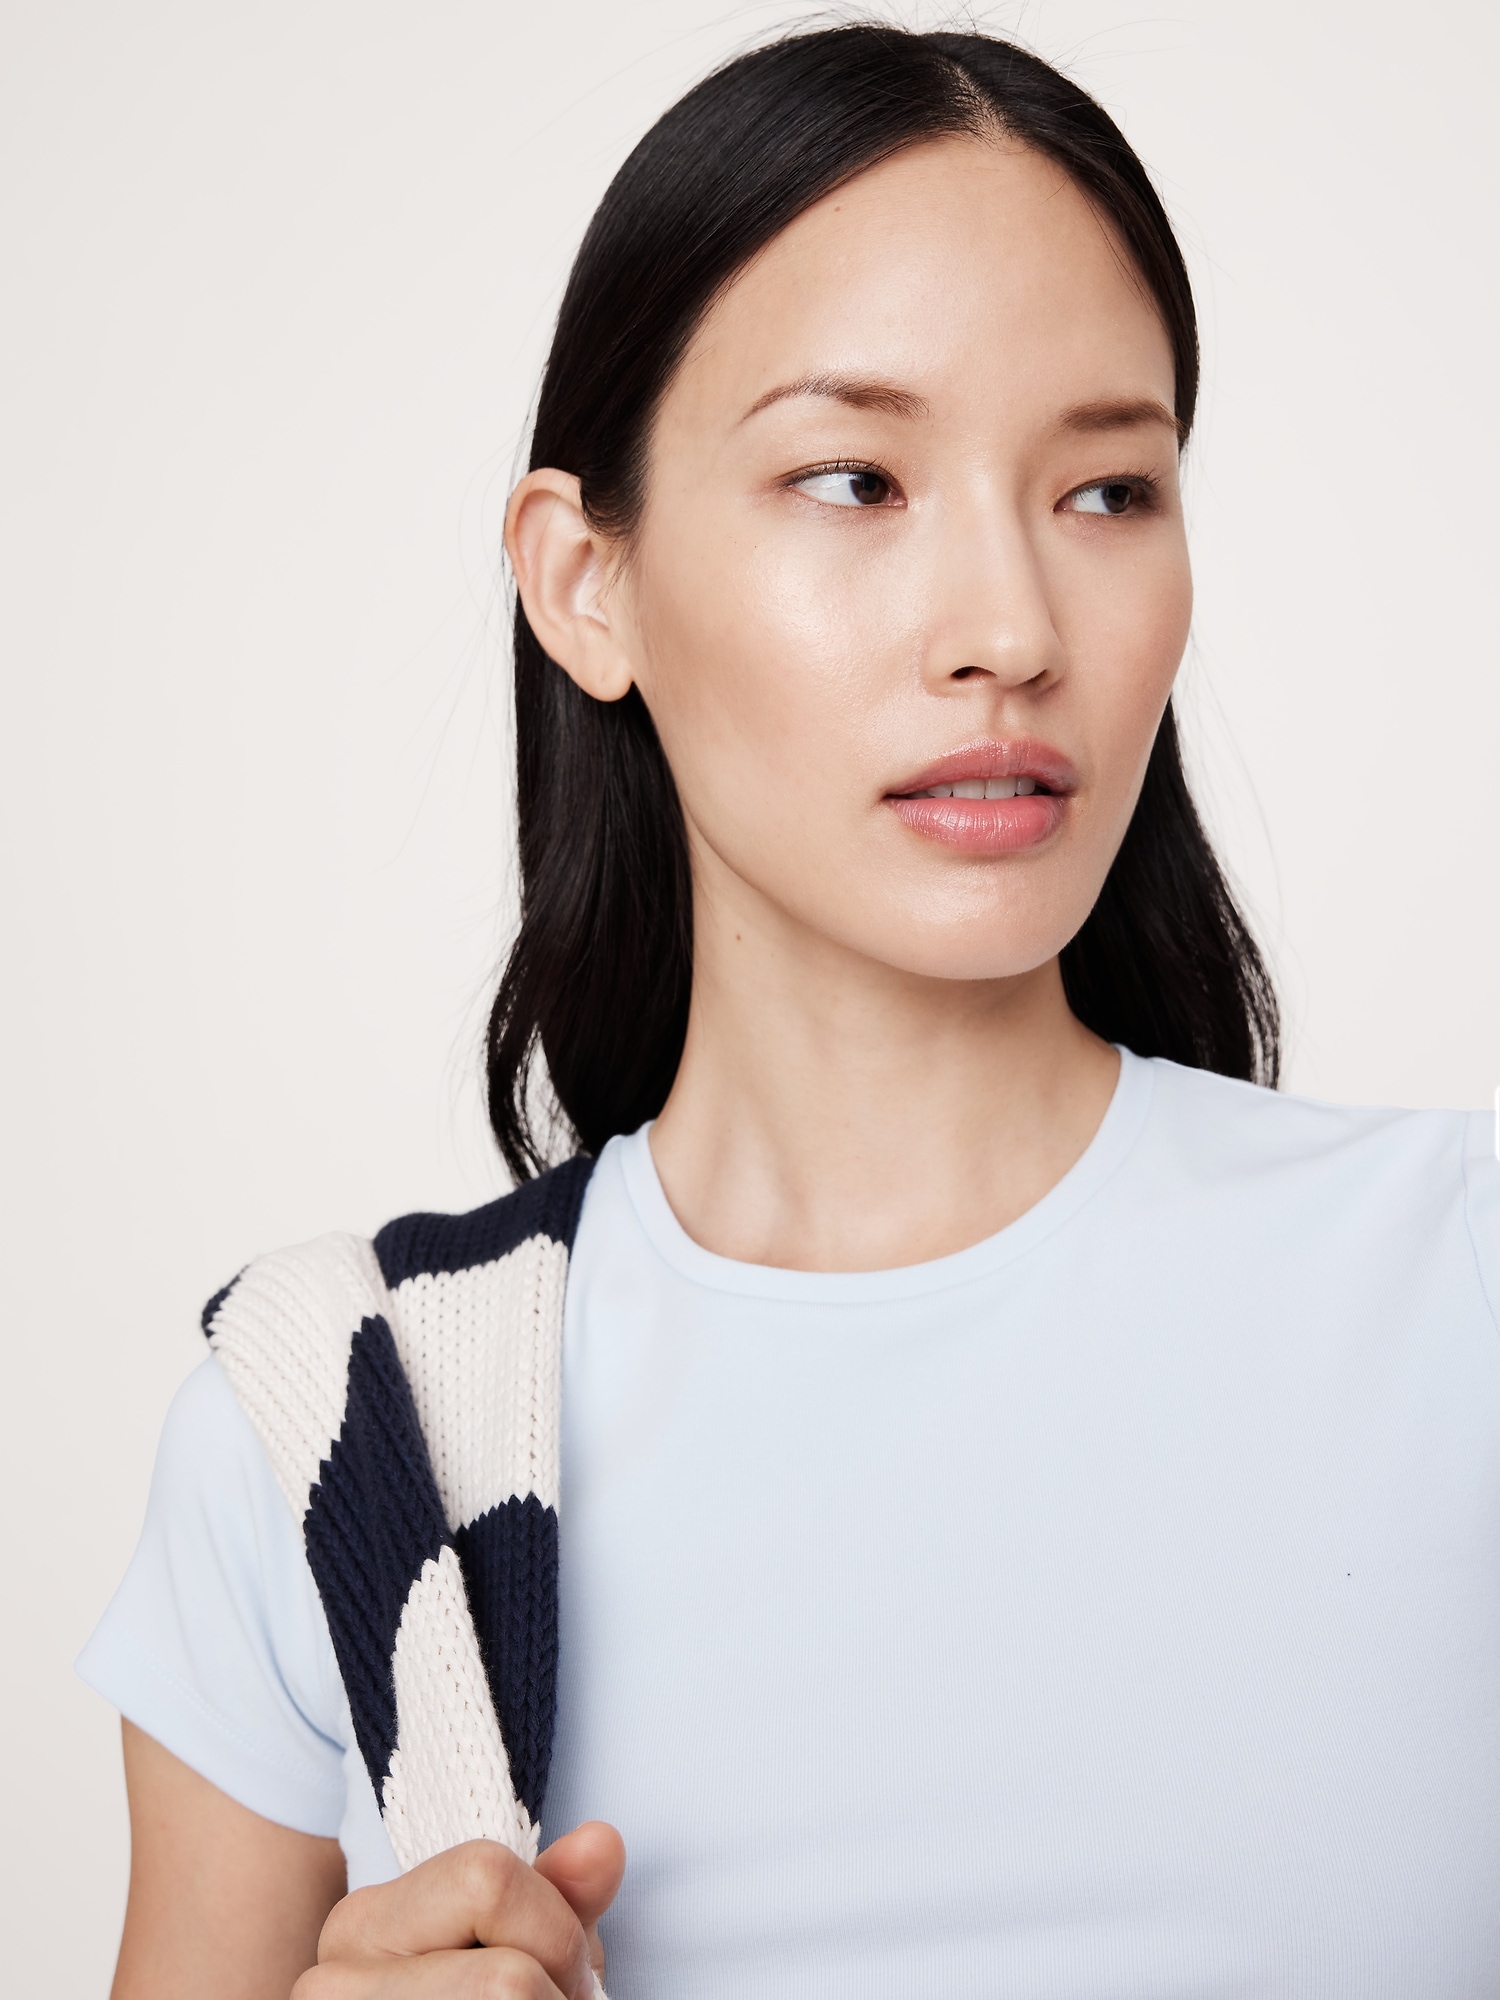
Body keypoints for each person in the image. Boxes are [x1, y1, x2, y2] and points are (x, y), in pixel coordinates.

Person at [80, 24, 1500, 2000]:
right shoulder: (346, 1423)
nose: (1009, 628)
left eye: (1108, 490)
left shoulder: (1458, 1286)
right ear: (586, 581)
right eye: (855, 479)